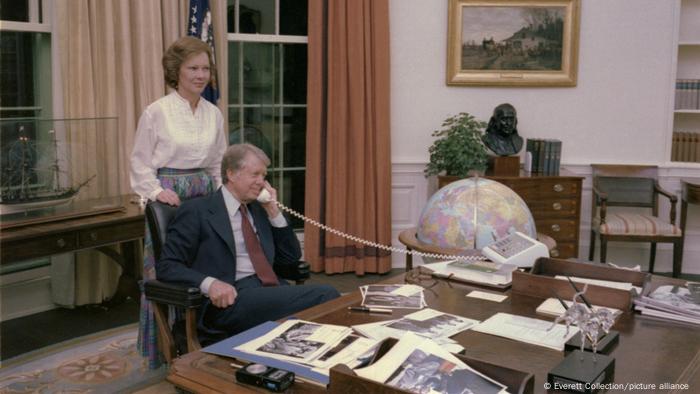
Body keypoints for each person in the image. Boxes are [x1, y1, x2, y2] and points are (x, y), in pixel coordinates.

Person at [156, 143, 340, 337]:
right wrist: (210, 284)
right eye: (255, 174)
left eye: (264, 176)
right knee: (326, 295)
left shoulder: (259, 209)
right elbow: (167, 266)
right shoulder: (197, 211)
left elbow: (290, 259)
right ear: (232, 174)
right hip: (230, 298)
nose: (262, 182)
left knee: (316, 317)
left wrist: (273, 211)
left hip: (269, 289)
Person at [130, 36, 227, 368]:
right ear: (176, 71)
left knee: (209, 266)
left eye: (205, 68)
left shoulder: (214, 114)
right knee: (169, 270)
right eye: (193, 68)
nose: (201, 75)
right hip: (170, 198)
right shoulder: (156, 112)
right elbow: (140, 162)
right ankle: (166, 346)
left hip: (205, 192)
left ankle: (206, 337)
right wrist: (157, 192)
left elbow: (218, 163)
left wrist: (220, 198)